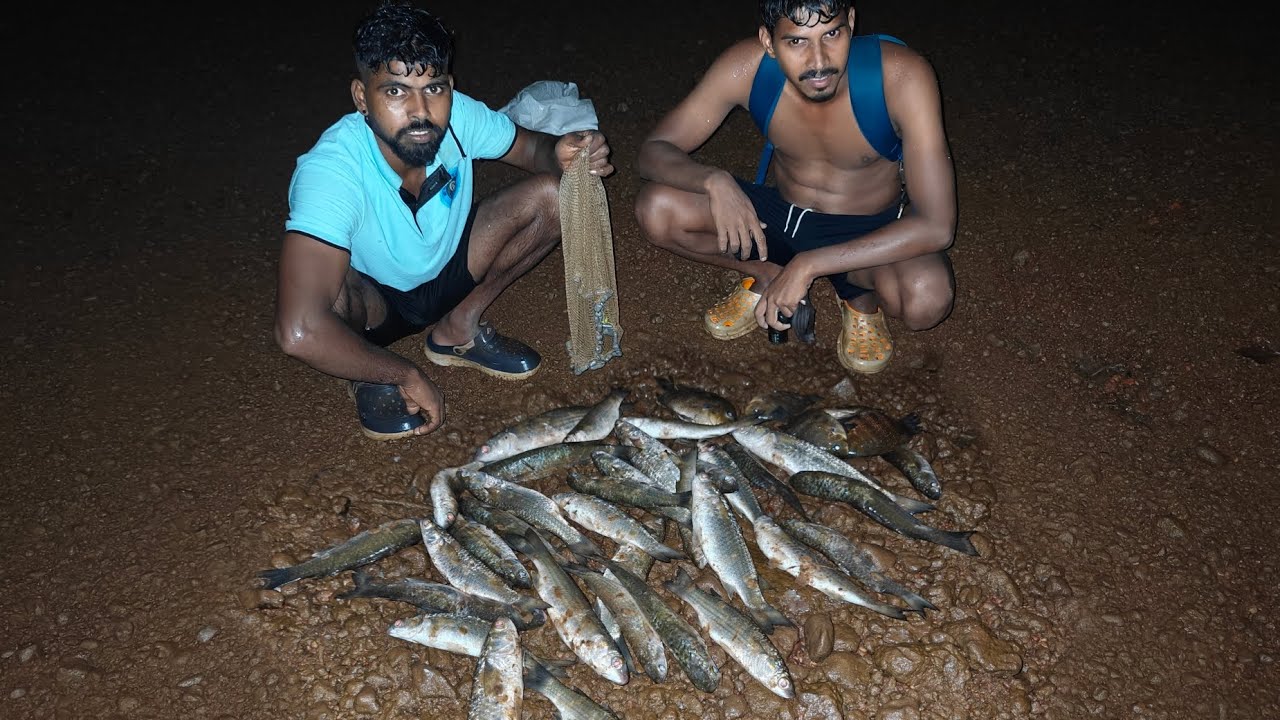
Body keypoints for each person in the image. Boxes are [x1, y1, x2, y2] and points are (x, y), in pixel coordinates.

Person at [274, 1, 613, 440]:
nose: (420, 111)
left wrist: (561, 152)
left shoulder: (458, 116)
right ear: (361, 97)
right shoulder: (331, 171)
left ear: (449, 86)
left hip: (449, 271)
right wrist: (405, 374)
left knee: (553, 196)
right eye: (395, 92)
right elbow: (298, 330)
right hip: (373, 306)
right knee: (322, 280)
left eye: (433, 88)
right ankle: (370, 372)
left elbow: (533, 150)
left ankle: (458, 327)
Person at [634, 0, 955, 375]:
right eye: (797, 41)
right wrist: (713, 180)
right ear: (768, 42)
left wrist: (809, 265)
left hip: (868, 231)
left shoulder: (899, 77)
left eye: (831, 34)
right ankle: (769, 272)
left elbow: (937, 226)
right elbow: (654, 151)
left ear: (851, 22)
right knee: (656, 209)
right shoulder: (748, 68)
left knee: (926, 296)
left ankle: (860, 298)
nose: (819, 61)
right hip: (781, 218)